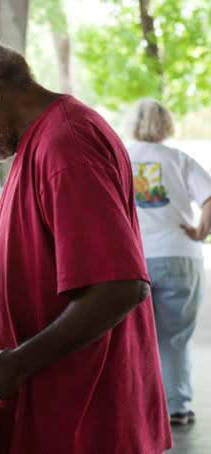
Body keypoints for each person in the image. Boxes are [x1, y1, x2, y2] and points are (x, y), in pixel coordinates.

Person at [0, 42, 171, 454]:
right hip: (61, 412)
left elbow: (120, 286)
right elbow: (32, 284)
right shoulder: (37, 145)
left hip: (90, 421)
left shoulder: (66, 144)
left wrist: (19, 363)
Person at [125, 98, 211, 426]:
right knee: (173, 338)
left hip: (132, 260)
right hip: (179, 255)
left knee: (133, 338)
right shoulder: (179, 160)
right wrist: (200, 231)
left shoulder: (119, 157)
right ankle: (176, 407)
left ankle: (137, 407)